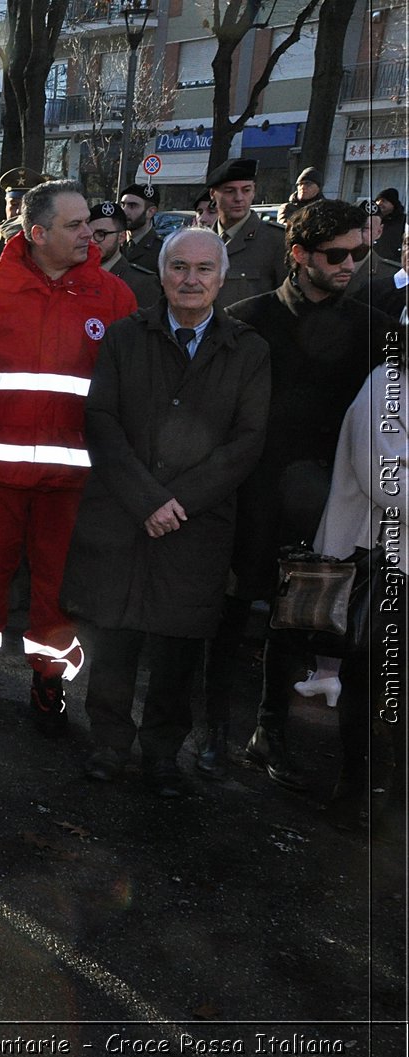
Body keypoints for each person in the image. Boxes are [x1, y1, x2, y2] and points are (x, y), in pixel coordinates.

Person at [62, 228, 271, 797]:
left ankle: (161, 754)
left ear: (222, 279)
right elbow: (101, 420)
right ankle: (108, 744)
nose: (191, 279)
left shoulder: (247, 349)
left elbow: (246, 442)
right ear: (162, 273)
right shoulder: (127, 337)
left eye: (204, 269)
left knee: (178, 649)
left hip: (195, 525)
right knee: (115, 640)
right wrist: (147, 499)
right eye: (179, 266)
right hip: (123, 517)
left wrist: (179, 502)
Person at [0, 179, 137, 730]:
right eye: (74, 226)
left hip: (72, 479)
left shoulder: (112, 295)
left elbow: (126, 388)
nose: (89, 233)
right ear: (37, 232)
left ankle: (49, 681)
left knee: (58, 586)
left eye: (89, 225)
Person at [204, 199, 378, 789]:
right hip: (248, 494)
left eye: (360, 252)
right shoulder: (248, 319)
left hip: (327, 502)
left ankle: (267, 731)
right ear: (299, 254)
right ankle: (211, 731)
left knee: (293, 619)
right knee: (228, 613)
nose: (351, 263)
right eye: (337, 254)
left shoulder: (370, 327)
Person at [310, 361, 407, 823]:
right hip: (381, 562)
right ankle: (355, 794)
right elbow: (385, 481)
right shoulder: (386, 386)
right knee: (371, 684)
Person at [208, 157, 287, 307]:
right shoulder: (200, 241)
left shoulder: (276, 241)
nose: (239, 198)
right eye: (230, 191)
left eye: (246, 190)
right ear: (213, 194)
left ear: (254, 191)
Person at [91, 200, 161, 308]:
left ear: (121, 237)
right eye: (88, 235)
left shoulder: (142, 283)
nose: (92, 241)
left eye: (101, 234)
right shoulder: (77, 276)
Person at [0, 168, 45, 263]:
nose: (19, 211)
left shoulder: (45, 236)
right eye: (14, 204)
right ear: (6, 204)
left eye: (26, 206)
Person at [117, 183, 164, 278]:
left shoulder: (162, 250)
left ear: (151, 212)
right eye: (123, 205)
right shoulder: (114, 242)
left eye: (132, 206)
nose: (124, 211)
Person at [374, 187, 405, 261]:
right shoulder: (372, 218)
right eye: (378, 200)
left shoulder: (402, 221)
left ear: (393, 204)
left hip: (393, 263)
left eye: (384, 201)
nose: (379, 203)